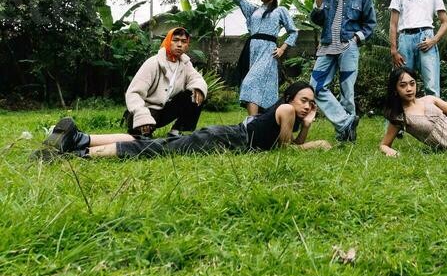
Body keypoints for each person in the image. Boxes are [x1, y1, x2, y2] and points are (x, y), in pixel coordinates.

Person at [32, 82, 331, 161]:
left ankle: (81, 139)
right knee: (158, 148)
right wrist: (313, 141)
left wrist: (306, 128)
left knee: (155, 143)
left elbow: (286, 145)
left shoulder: (288, 113)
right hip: (224, 139)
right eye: (304, 99)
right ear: (290, 98)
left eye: (312, 103)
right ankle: (78, 154)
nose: (308, 106)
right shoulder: (286, 111)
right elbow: (286, 150)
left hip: (225, 136)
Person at [310, 0, 376, 143]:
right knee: (315, 87)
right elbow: (316, 20)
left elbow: (370, 23)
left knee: (347, 90)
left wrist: (356, 38)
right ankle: (346, 122)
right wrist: (319, 0)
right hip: (327, 46)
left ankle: (345, 135)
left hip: (349, 45)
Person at [123, 27, 207, 137]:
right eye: (175, 40)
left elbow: (197, 79)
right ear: (168, 41)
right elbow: (134, 93)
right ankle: (141, 130)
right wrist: (141, 114)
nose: (179, 44)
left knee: (197, 93)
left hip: (164, 111)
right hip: (145, 112)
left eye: (183, 41)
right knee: (142, 142)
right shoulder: (153, 63)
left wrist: (198, 88)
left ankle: (178, 131)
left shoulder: (185, 63)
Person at [232, 0, 299, 115]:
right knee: (256, 86)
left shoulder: (281, 10)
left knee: (249, 83)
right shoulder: (252, 10)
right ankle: (256, 123)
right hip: (251, 51)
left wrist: (282, 48)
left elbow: (293, 31)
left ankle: (252, 122)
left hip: (268, 51)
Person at [389, 0, 447, 96]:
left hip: (426, 37)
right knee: (401, 80)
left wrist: (434, 40)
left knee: (431, 83)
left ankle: (434, 116)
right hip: (405, 39)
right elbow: (393, 24)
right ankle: (399, 115)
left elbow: (445, 22)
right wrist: (394, 50)